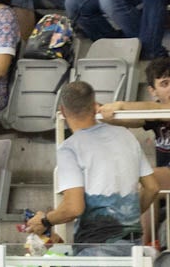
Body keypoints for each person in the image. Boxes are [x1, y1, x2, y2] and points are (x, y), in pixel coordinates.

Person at [23, 81, 159, 254]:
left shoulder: (69, 148)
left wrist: (44, 220)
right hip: (133, 247)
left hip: (95, 248)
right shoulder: (126, 136)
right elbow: (152, 187)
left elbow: (73, 207)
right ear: (95, 107)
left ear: (63, 111)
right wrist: (126, 218)